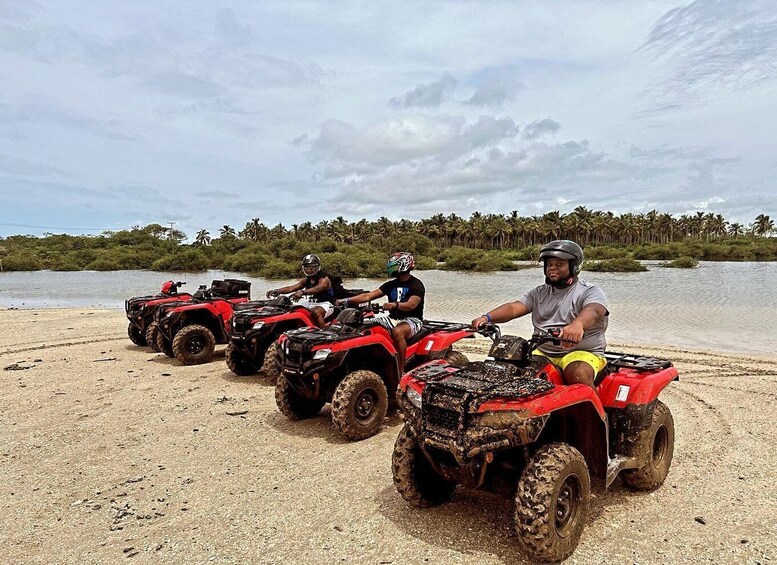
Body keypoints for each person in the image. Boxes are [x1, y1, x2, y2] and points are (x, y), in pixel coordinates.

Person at [471, 240, 609, 390]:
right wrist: (487, 318)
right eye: (549, 264)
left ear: (574, 266)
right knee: (508, 369)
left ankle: (597, 414)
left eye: (559, 264)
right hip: (543, 351)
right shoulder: (539, 292)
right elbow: (514, 307)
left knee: (578, 375)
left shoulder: (589, 291)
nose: (552, 268)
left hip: (581, 352)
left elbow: (594, 311)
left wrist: (578, 324)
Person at [335, 252, 424, 375]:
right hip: (392, 318)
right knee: (367, 326)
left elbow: (412, 305)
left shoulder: (416, 285)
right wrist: (346, 300)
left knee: (398, 332)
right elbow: (368, 296)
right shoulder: (391, 284)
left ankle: (400, 369)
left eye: (394, 265)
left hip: (412, 319)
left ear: (404, 265)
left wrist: (395, 305)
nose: (391, 268)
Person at [266, 254, 334, 328]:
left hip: (326, 304)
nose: (309, 271)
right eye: (307, 268)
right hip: (310, 303)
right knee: (293, 310)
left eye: (312, 268)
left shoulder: (324, 279)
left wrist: (302, 292)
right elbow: (292, 288)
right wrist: (277, 291)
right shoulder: (306, 280)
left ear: (318, 268)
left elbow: (317, 289)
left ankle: (322, 332)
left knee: (316, 312)